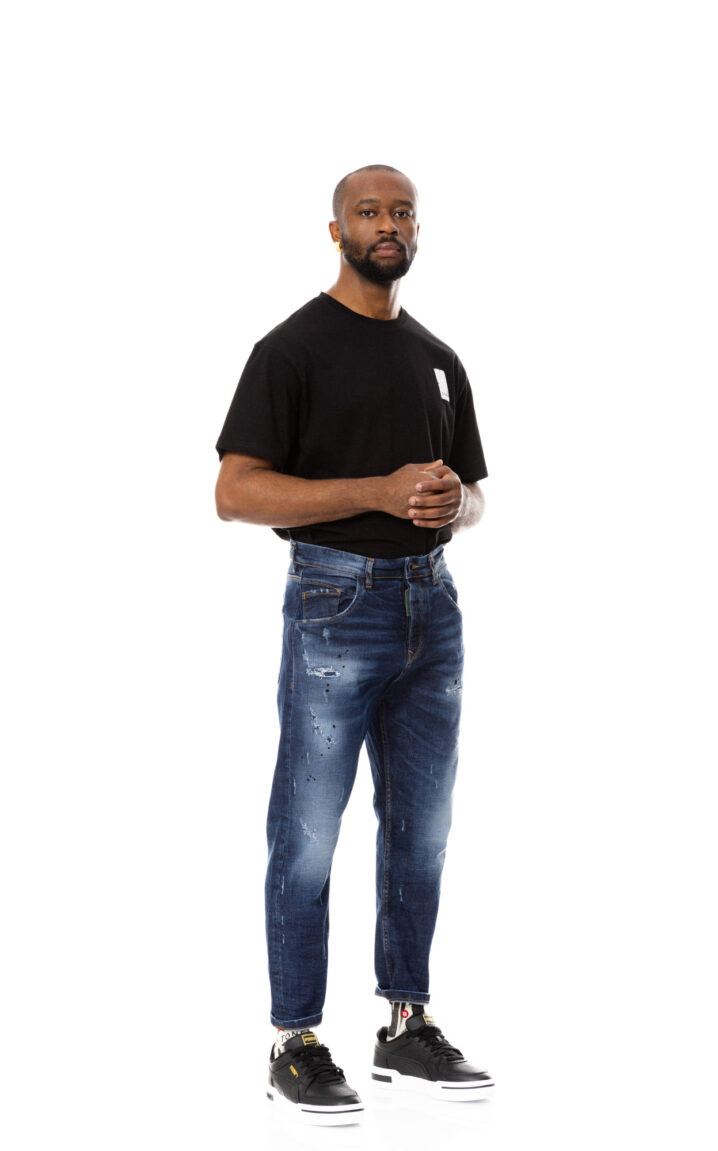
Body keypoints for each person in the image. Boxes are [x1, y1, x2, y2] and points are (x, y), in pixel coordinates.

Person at [215, 164, 493, 1125]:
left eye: (403, 211)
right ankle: (294, 1039)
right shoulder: (291, 349)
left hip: (433, 607)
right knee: (308, 830)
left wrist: (457, 504)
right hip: (336, 604)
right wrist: (375, 491)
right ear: (335, 231)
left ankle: (405, 1023)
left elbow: (476, 494)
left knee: (423, 828)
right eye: (369, 211)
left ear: (418, 229)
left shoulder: (439, 357)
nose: (388, 224)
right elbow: (235, 491)